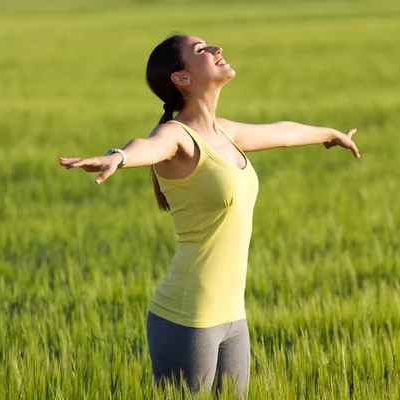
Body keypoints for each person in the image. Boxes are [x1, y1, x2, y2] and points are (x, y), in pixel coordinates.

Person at [59, 34, 360, 397]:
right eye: (201, 50)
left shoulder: (225, 133)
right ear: (181, 78)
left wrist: (331, 135)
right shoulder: (178, 136)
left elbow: (284, 132)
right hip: (187, 316)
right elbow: (148, 146)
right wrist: (118, 157)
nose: (217, 50)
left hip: (233, 317)